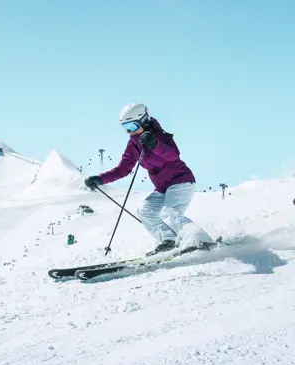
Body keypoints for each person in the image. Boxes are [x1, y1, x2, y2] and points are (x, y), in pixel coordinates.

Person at [84, 103, 215, 254]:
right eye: (125, 127)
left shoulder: (160, 135)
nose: (129, 131)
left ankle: (201, 240)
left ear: (144, 121)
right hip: (162, 188)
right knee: (145, 211)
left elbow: (174, 155)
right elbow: (123, 169)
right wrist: (100, 179)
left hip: (180, 181)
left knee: (169, 213)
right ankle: (168, 240)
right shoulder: (133, 143)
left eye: (132, 126)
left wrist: (155, 144)